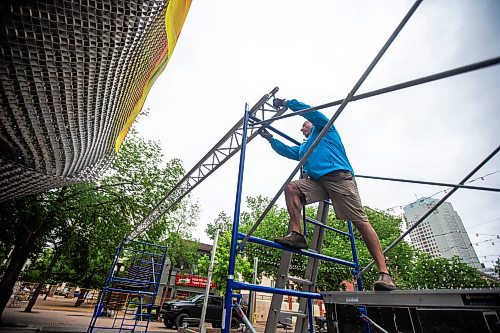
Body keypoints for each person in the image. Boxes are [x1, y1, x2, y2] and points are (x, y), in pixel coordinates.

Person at [260, 98, 396, 291]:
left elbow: (310, 111)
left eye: (304, 125)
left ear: (311, 124)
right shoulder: (304, 148)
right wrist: (270, 138)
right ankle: (297, 234)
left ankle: (384, 273)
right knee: (291, 188)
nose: (301, 129)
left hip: (338, 177)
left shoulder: (324, 128)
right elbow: (287, 150)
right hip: (319, 183)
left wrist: (288, 103)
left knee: (360, 221)